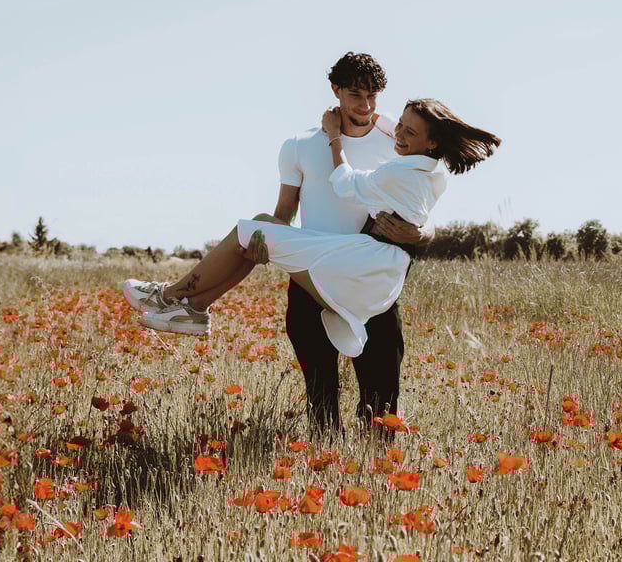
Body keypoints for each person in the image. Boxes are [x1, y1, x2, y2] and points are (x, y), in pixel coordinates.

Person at [123, 53, 501, 432]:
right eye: (355, 94)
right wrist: (262, 249)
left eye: (373, 96)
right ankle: (193, 306)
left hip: (366, 276)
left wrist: (419, 235)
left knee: (381, 402)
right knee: (320, 401)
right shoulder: (300, 145)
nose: (366, 106)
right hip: (313, 276)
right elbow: (284, 214)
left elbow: (420, 214)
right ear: (335, 91)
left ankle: (177, 299)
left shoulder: (398, 143)